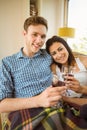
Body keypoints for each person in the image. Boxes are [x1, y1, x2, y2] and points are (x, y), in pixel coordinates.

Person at [0, 16, 67, 130]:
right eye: (34, 34)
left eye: (43, 36)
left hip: (55, 107)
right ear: (24, 33)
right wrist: (38, 101)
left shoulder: (48, 56)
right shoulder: (7, 63)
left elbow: (66, 57)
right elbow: (2, 105)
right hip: (27, 112)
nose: (39, 40)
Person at [46, 35, 87, 129]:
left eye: (60, 49)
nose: (59, 55)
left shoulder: (84, 61)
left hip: (82, 100)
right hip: (64, 103)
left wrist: (81, 89)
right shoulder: (53, 67)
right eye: (54, 53)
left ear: (66, 47)